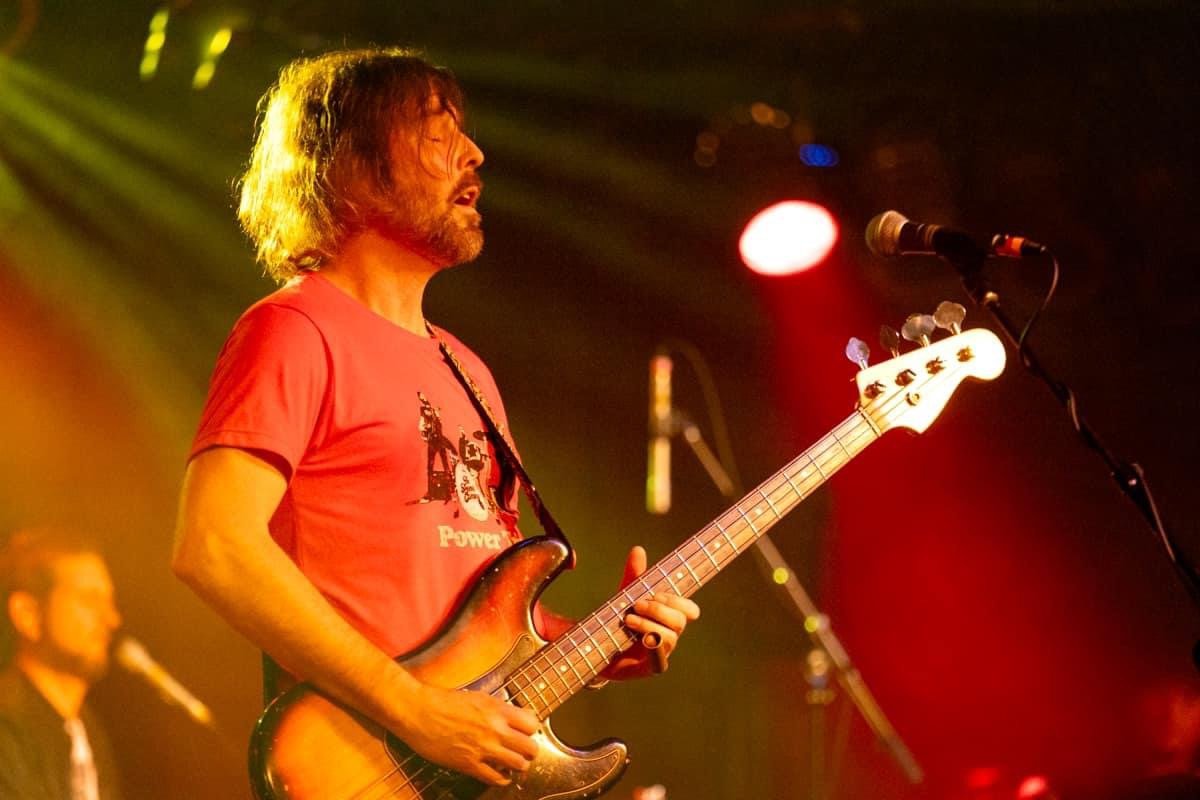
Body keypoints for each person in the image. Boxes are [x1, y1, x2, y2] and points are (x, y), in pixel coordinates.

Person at [171, 46, 700, 789]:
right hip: (361, 770)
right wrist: (414, 710)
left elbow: (482, 620)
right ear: (351, 164)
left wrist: (606, 643)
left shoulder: (468, 370)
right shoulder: (295, 329)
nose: (473, 153)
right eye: (436, 132)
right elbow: (214, 545)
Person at [0, 527, 123, 800]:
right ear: (28, 614)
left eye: (109, 601)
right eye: (90, 600)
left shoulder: (91, 736)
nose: (112, 619)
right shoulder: (6, 728)